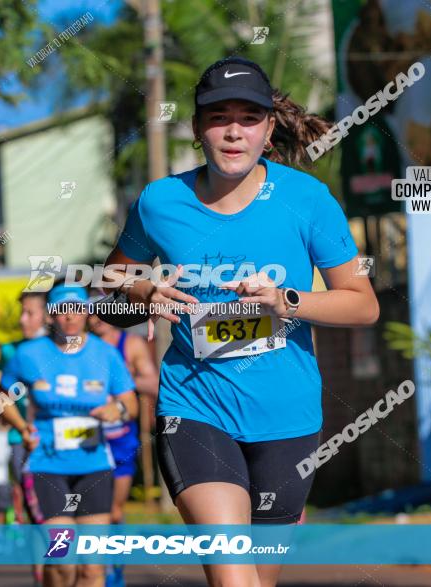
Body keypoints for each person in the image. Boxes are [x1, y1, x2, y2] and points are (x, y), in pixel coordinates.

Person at [101, 56, 379, 587]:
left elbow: (362, 303)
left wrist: (285, 301)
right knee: (234, 579)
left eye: (249, 116)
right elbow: (108, 290)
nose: (233, 131)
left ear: (269, 128)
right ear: (197, 127)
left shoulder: (306, 200)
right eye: (218, 116)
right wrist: (142, 290)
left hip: (288, 420)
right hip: (195, 409)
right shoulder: (162, 202)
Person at [0, 284, 138, 587]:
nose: (70, 317)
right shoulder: (29, 354)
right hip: (49, 466)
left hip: (94, 467)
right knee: (62, 560)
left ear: (87, 312)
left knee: (92, 568)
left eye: (76, 309)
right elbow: (2, 399)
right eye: (61, 310)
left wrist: (118, 411)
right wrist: (23, 429)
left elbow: (131, 403)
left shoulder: (106, 354)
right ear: (51, 316)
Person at [87, 313, 158, 587]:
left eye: (105, 310)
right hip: (86, 440)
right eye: (92, 311)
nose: (99, 318)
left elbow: (152, 383)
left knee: (114, 510)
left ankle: (114, 567)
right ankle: (91, 569)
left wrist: (121, 378)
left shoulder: (131, 344)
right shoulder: (79, 346)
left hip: (120, 441)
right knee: (87, 511)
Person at [0, 290, 51, 520]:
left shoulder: (65, 349)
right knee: (36, 511)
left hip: (58, 437)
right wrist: (23, 428)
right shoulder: (10, 350)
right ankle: (42, 556)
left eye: (30, 313)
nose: (22, 320)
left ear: (48, 316)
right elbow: (0, 397)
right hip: (22, 440)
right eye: (22, 313)